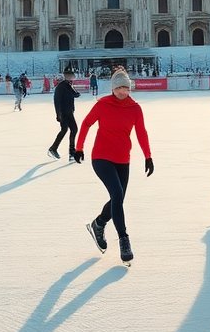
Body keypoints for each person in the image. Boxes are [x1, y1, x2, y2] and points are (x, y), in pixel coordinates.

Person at [78, 69, 153, 265]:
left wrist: (148, 156)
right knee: (118, 196)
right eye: (118, 88)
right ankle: (124, 240)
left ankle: (99, 223)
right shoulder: (103, 104)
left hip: (122, 159)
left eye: (125, 88)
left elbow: (141, 133)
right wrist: (78, 148)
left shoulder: (135, 109)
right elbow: (86, 124)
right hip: (101, 157)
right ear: (113, 88)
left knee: (117, 199)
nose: (122, 92)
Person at [48, 69, 81, 160]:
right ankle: (54, 149)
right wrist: (58, 114)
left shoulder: (68, 85)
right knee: (65, 130)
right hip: (63, 113)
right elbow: (57, 101)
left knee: (72, 129)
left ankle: (70, 151)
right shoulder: (61, 87)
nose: (73, 78)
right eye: (72, 76)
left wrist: (76, 93)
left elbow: (74, 94)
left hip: (69, 112)